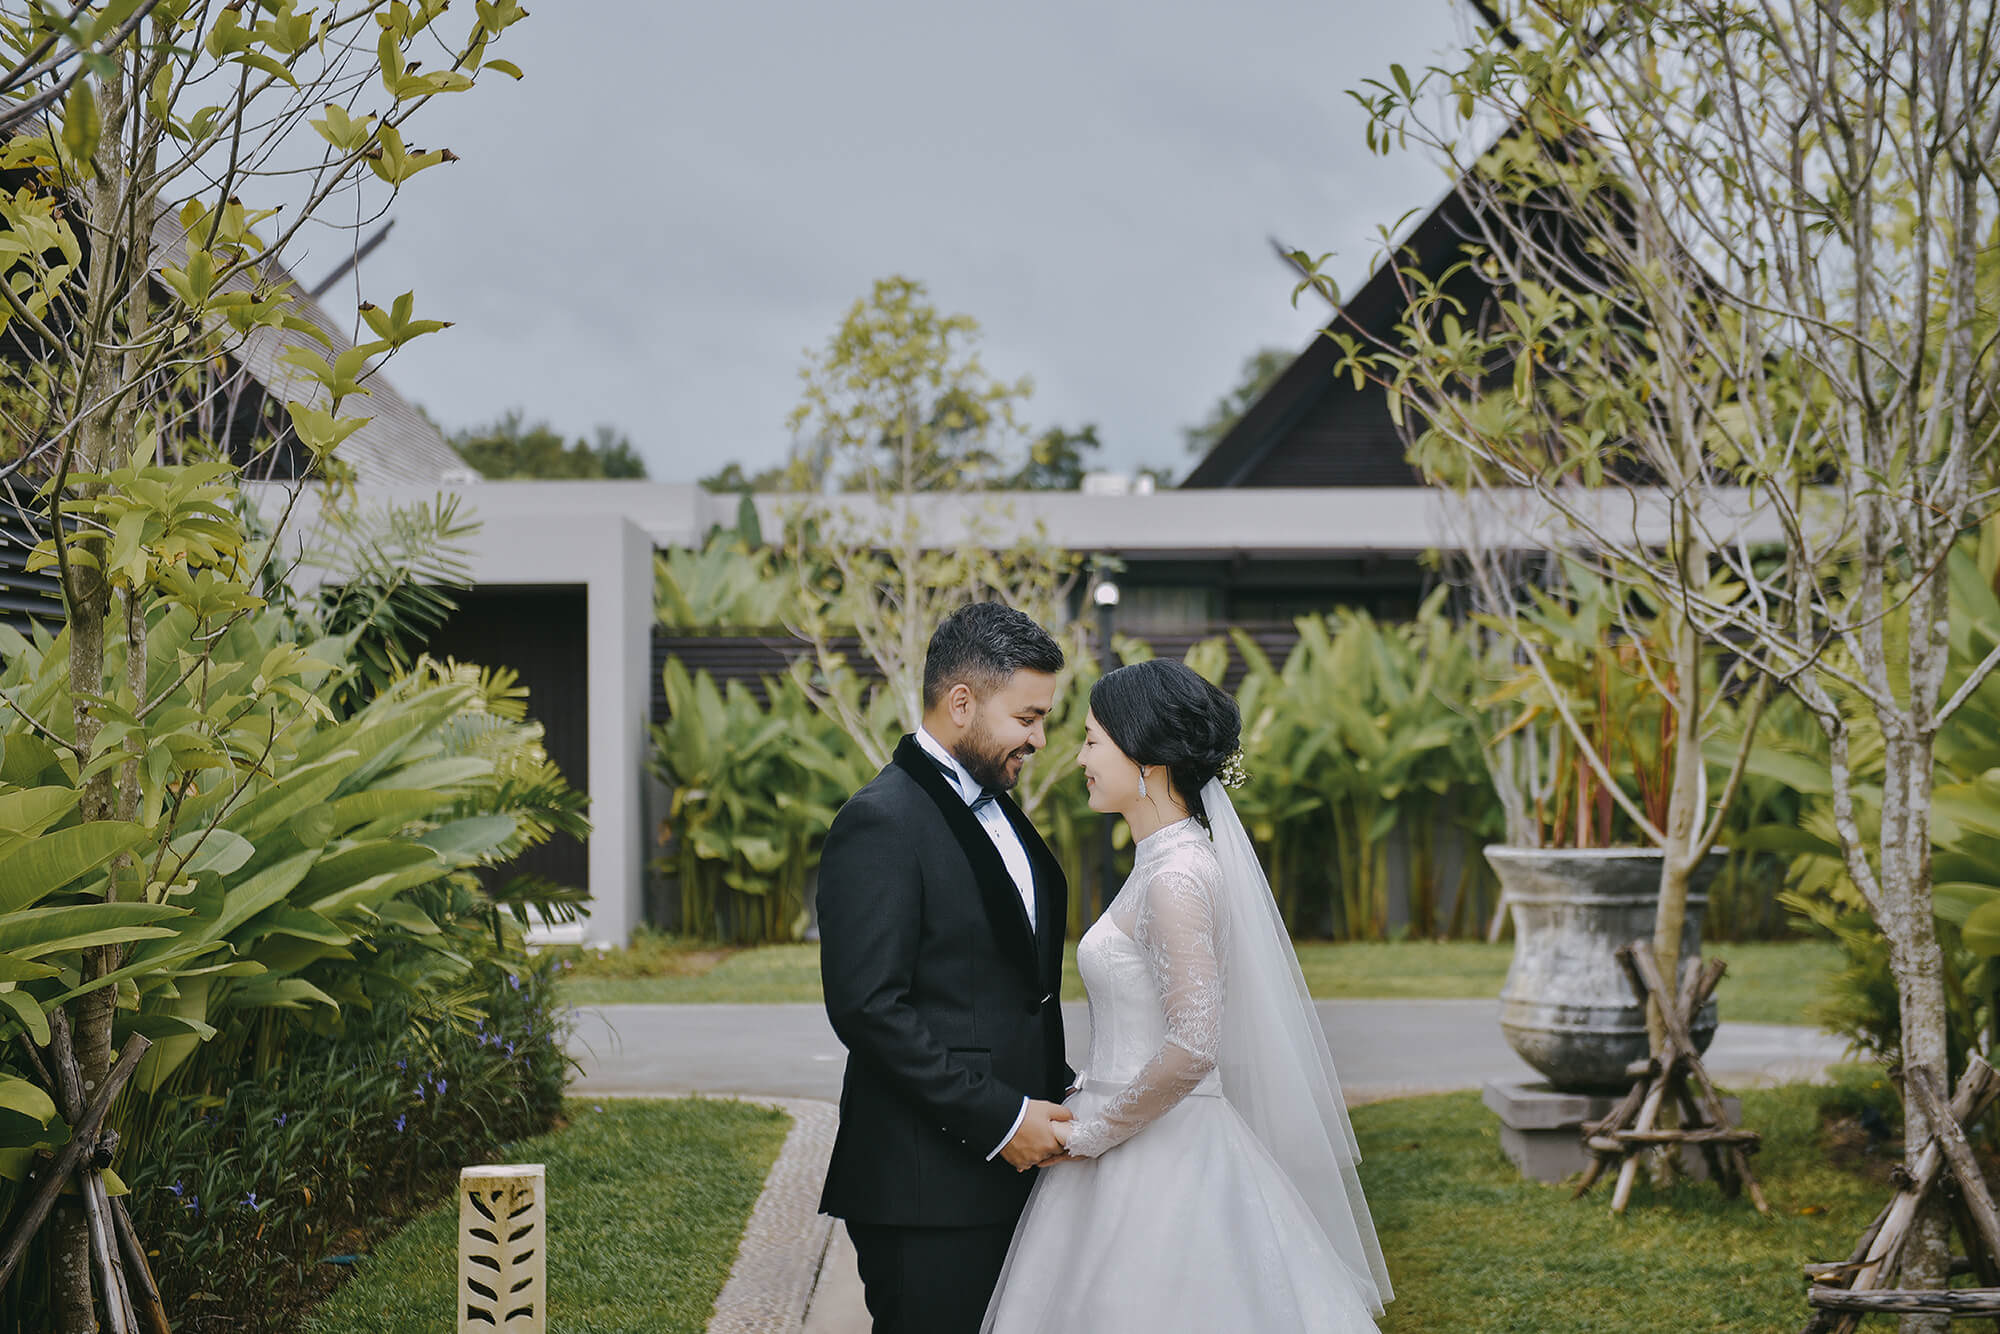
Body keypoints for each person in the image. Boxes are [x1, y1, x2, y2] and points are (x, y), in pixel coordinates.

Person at [982, 657, 1393, 1332]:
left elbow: (1194, 1045)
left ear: (1145, 756)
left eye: (1092, 740)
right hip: (1134, 1131)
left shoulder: (1177, 877)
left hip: (1156, 1157)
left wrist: (1093, 1134)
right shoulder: (1165, 860)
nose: (1081, 756)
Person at [816, 602, 1074, 1334]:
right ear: (961, 702)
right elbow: (868, 1009)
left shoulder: (999, 806)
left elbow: (1007, 990)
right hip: (925, 1190)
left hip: (1008, 1175)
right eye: (1027, 718)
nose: (1040, 739)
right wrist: (1002, 1119)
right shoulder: (881, 821)